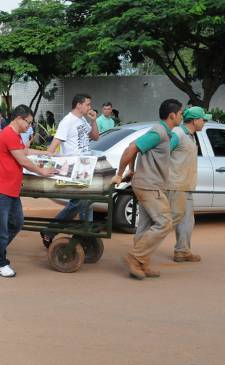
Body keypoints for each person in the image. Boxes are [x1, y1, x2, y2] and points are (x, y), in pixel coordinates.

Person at [112, 99, 183, 280]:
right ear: (172, 115)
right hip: (149, 186)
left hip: (149, 184)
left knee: (146, 225)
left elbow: (135, 148)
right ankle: (135, 257)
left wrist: (132, 170)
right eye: (181, 113)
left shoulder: (161, 132)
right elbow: (132, 148)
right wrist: (121, 173)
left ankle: (142, 263)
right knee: (164, 223)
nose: (182, 116)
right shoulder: (158, 132)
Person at [0, 105, 54, 277]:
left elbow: (25, 151)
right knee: (1, 228)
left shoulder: (16, 135)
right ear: (19, 118)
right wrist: (42, 171)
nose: (29, 126)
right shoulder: (8, 134)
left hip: (10, 189)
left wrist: (47, 154)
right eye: (28, 122)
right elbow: (23, 159)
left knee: (17, 222)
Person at [43, 93, 99, 245]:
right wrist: (48, 162)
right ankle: (86, 237)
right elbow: (54, 145)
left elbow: (95, 137)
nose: (90, 107)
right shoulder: (67, 121)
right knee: (85, 201)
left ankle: (50, 230)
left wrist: (93, 121)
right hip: (75, 169)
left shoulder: (82, 120)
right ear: (78, 105)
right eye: (87, 104)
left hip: (86, 166)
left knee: (78, 203)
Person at [168, 106, 207, 263]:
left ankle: (182, 251)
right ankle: (141, 252)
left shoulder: (190, 135)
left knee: (187, 221)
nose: (204, 122)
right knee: (168, 222)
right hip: (176, 185)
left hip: (186, 185)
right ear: (195, 120)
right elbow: (161, 154)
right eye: (203, 119)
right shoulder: (177, 134)